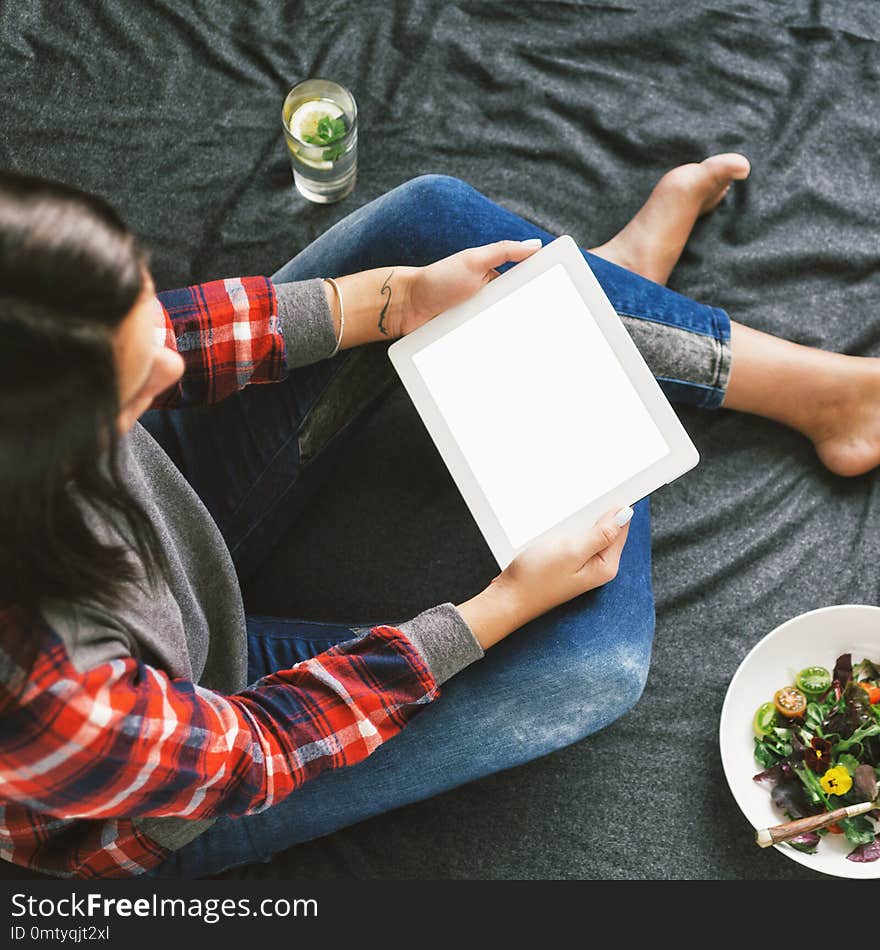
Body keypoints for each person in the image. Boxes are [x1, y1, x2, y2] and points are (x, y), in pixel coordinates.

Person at [1, 156, 878, 880]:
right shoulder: (47, 689)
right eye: (130, 382)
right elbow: (260, 751)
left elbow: (167, 341)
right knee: (593, 658)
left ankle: (794, 384)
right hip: (201, 746)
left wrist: (391, 300)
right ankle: (608, 311)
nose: (165, 357)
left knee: (434, 221)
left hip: (159, 526)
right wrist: (503, 606)